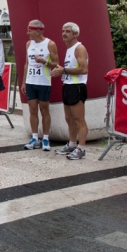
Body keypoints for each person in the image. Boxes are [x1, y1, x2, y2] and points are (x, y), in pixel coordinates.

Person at [20, 20, 59, 151]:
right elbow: (27, 63)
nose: (27, 33)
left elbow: (56, 63)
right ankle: (35, 137)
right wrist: (24, 81)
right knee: (32, 110)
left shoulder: (50, 44)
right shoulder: (28, 44)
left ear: (37, 31)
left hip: (44, 82)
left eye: (29, 31)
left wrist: (44, 61)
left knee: (44, 110)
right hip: (31, 81)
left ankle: (46, 138)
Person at [52, 22, 89, 160]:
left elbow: (84, 69)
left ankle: (82, 148)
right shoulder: (69, 48)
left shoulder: (79, 48)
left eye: (67, 31)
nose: (64, 33)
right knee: (69, 119)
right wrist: (62, 71)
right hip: (67, 85)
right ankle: (72, 144)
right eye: (63, 31)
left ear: (75, 34)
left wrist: (64, 70)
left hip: (77, 86)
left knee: (79, 119)